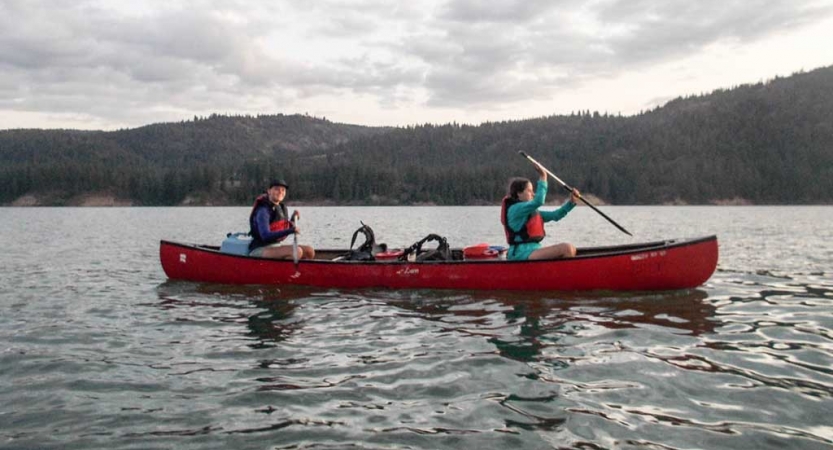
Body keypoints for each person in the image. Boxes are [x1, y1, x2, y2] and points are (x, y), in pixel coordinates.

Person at [500, 162, 580, 260]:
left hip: (533, 251)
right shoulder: (515, 209)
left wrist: (571, 203)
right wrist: (543, 176)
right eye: (529, 191)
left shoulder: (531, 212)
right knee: (567, 248)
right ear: (519, 193)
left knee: (571, 249)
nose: (533, 194)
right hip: (519, 254)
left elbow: (556, 215)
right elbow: (539, 200)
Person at [249, 179, 315, 259]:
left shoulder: (281, 208)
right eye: (276, 189)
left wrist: (293, 219)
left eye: (283, 190)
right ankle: (286, 271)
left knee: (309, 251)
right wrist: (291, 231)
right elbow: (265, 236)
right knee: (296, 251)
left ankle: (303, 270)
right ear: (269, 191)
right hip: (259, 249)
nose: (280, 192)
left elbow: (282, 228)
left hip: (276, 246)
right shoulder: (263, 211)